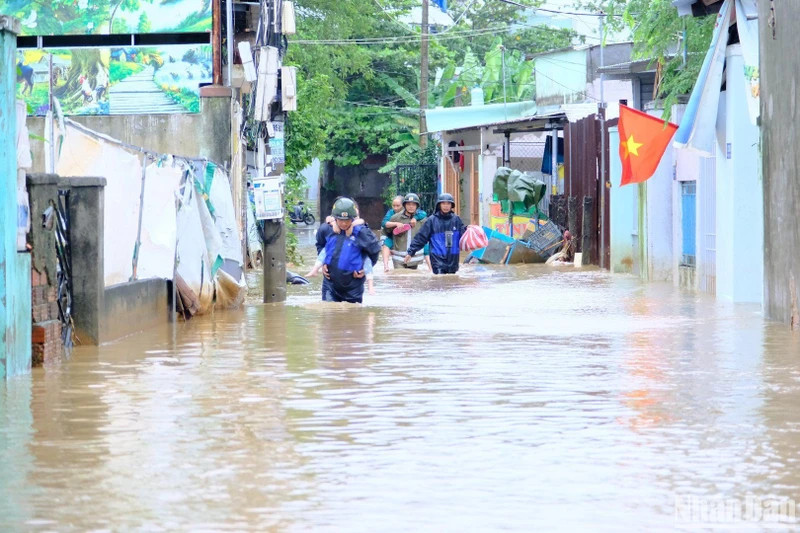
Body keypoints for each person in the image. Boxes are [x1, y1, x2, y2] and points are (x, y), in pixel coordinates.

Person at [315, 197, 381, 303]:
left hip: (353, 286)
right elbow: (320, 244)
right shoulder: (326, 229)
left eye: (347, 220)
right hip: (330, 284)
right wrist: (323, 262)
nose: (344, 224)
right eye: (341, 220)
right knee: (328, 314)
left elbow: (374, 250)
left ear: (353, 218)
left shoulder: (362, 232)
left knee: (352, 315)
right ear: (334, 217)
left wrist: (365, 268)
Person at [405, 192, 467, 275]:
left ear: (451, 205)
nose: (446, 206)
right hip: (437, 260)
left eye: (448, 203)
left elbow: (464, 236)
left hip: (453, 260)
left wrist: (469, 230)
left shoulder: (456, 220)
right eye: (443, 203)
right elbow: (421, 238)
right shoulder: (431, 220)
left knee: (452, 283)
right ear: (439, 205)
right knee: (439, 282)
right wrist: (411, 252)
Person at [380, 195, 430, 272]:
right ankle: (385, 266)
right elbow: (385, 228)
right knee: (401, 280)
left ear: (417, 206)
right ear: (404, 205)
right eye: (408, 204)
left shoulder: (422, 219)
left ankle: (431, 269)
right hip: (399, 259)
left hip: (414, 258)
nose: (411, 207)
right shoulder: (394, 217)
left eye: (413, 204)